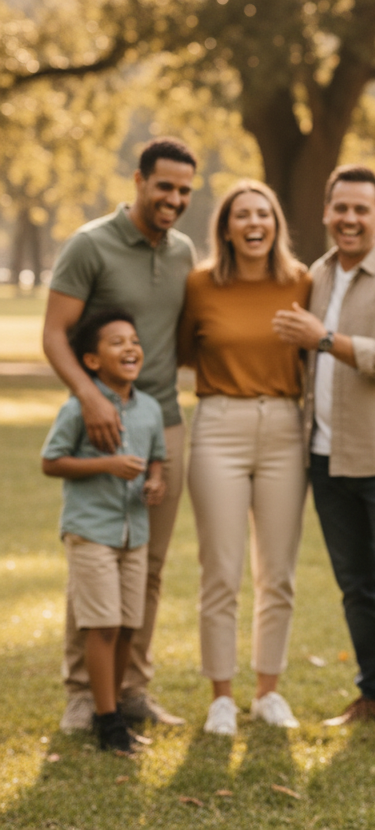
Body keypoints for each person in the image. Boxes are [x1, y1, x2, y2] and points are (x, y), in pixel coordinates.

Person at [271, 164, 375, 743]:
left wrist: (320, 338)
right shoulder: (316, 274)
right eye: (339, 208)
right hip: (325, 456)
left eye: (360, 210)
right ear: (326, 212)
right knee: (355, 585)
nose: (348, 219)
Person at [43, 137, 196, 731]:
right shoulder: (90, 245)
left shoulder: (183, 252)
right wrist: (89, 398)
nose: (174, 199)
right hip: (100, 424)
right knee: (94, 558)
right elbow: (56, 334)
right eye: (164, 187)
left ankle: (133, 689)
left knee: (147, 564)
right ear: (139, 181)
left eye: (184, 191)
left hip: (164, 425)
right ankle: (83, 692)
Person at [177, 179, 312, 735]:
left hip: (284, 426)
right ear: (226, 227)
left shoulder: (301, 281)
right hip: (218, 427)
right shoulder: (200, 284)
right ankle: (221, 698)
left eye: (264, 214)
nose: (254, 224)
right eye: (243, 216)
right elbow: (184, 350)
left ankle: (268, 692)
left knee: (277, 573)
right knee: (221, 570)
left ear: (275, 224)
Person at [41, 310, 167, 753]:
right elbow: (50, 461)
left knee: (129, 625)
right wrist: (106, 465)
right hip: (91, 531)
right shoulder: (79, 407)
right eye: (117, 342)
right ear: (92, 361)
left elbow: (157, 457)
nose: (130, 348)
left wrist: (155, 481)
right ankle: (108, 720)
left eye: (134, 340)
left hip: (135, 533)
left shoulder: (150, 408)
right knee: (104, 625)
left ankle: (108, 708)